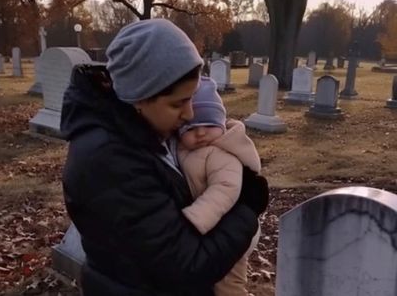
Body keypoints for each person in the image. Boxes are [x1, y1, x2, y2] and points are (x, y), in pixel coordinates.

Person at [60, 18, 269, 296]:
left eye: (191, 98)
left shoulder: (141, 133)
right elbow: (186, 267)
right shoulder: (110, 161)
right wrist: (246, 209)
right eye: (178, 103)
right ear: (139, 97)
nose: (190, 114)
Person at [178, 76, 262, 296]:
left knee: (228, 284)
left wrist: (195, 219)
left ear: (221, 124)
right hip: (213, 230)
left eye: (208, 124)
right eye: (191, 127)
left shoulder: (221, 153)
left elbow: (225, 188)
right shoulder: (182, 150)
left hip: (227, 225)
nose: (200, 133)